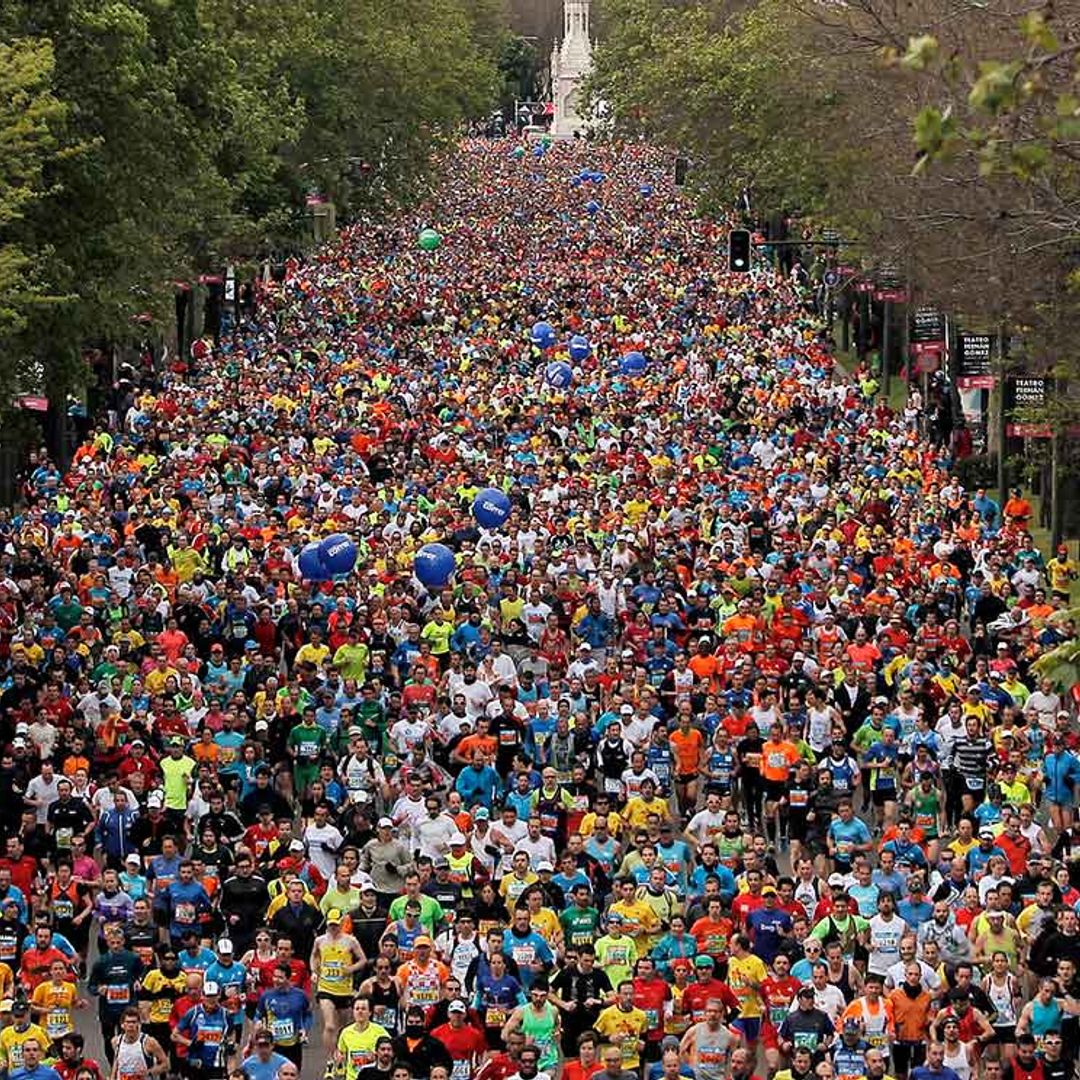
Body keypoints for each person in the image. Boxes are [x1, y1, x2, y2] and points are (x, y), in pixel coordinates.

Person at [108, 1009, 169, 1080]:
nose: (131, 1025)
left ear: (139, 1024)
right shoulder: (116, 1042)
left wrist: (149, 1073)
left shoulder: (149, 1042)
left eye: (134, 1022)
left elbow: (166, 1065)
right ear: (122, 1025)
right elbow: (116, 1062)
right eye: (128, 1022)